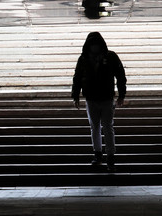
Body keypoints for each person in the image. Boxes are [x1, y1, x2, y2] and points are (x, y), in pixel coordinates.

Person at [71, 32, 127, 172]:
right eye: (93, 45)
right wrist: (75, 95)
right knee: (101, 127)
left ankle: (105, 155)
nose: (95, 48)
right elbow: (77, 77)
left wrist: (122, 94)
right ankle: (104, 155)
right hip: (95, 98)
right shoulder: (90, 58)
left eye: (96, 45)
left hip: (103, 98)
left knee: (102, 127)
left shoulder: (89, 58)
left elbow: (120, 76)